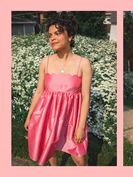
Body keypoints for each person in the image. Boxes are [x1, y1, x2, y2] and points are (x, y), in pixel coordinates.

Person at [24, 12, 92, 166]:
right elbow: (39, 91)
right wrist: (29, 116)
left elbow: (86, 97)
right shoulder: (45, 62)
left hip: (72, 119)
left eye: (57, 33)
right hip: (47, 116)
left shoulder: (83, 64)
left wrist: (80, 127)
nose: (52, 38)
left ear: (70, 37)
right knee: (50, 150)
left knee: (79, 157)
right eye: (50, 35)